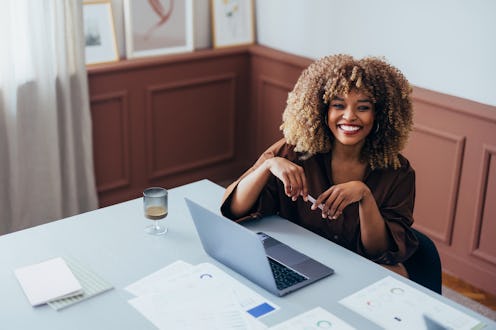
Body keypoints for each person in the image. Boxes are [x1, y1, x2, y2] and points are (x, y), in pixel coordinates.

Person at [221, 54, 419, 278]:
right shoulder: (293, 151)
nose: (349, 116)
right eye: (338, 105)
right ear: (323, 111)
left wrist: (365, 197)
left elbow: (380, 252)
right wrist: (268, 166)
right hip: (300, 264)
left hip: (355, 273)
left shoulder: (397, 172)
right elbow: (234, 209)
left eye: (363, 108)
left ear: (379, 114)